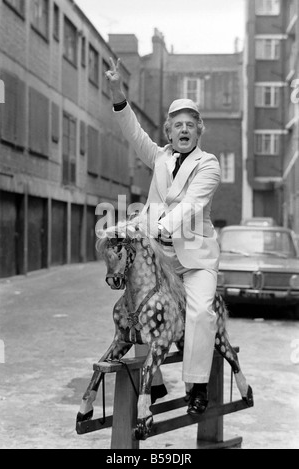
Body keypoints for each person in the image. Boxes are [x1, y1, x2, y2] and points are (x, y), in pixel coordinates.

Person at [105, 57, 221, 415]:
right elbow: (133, 131)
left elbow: (190, 204)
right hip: (160, 257)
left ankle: (196, 385)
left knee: (201, 312)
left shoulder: (209, 164)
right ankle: (153, 386)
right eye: (177, 125)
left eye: (190, 125)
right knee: (138, 305)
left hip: (194, 260)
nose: (183, 130)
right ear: (169, 132)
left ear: (199, 131)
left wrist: (157, 226)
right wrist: (117, 92)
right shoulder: (159, 158)